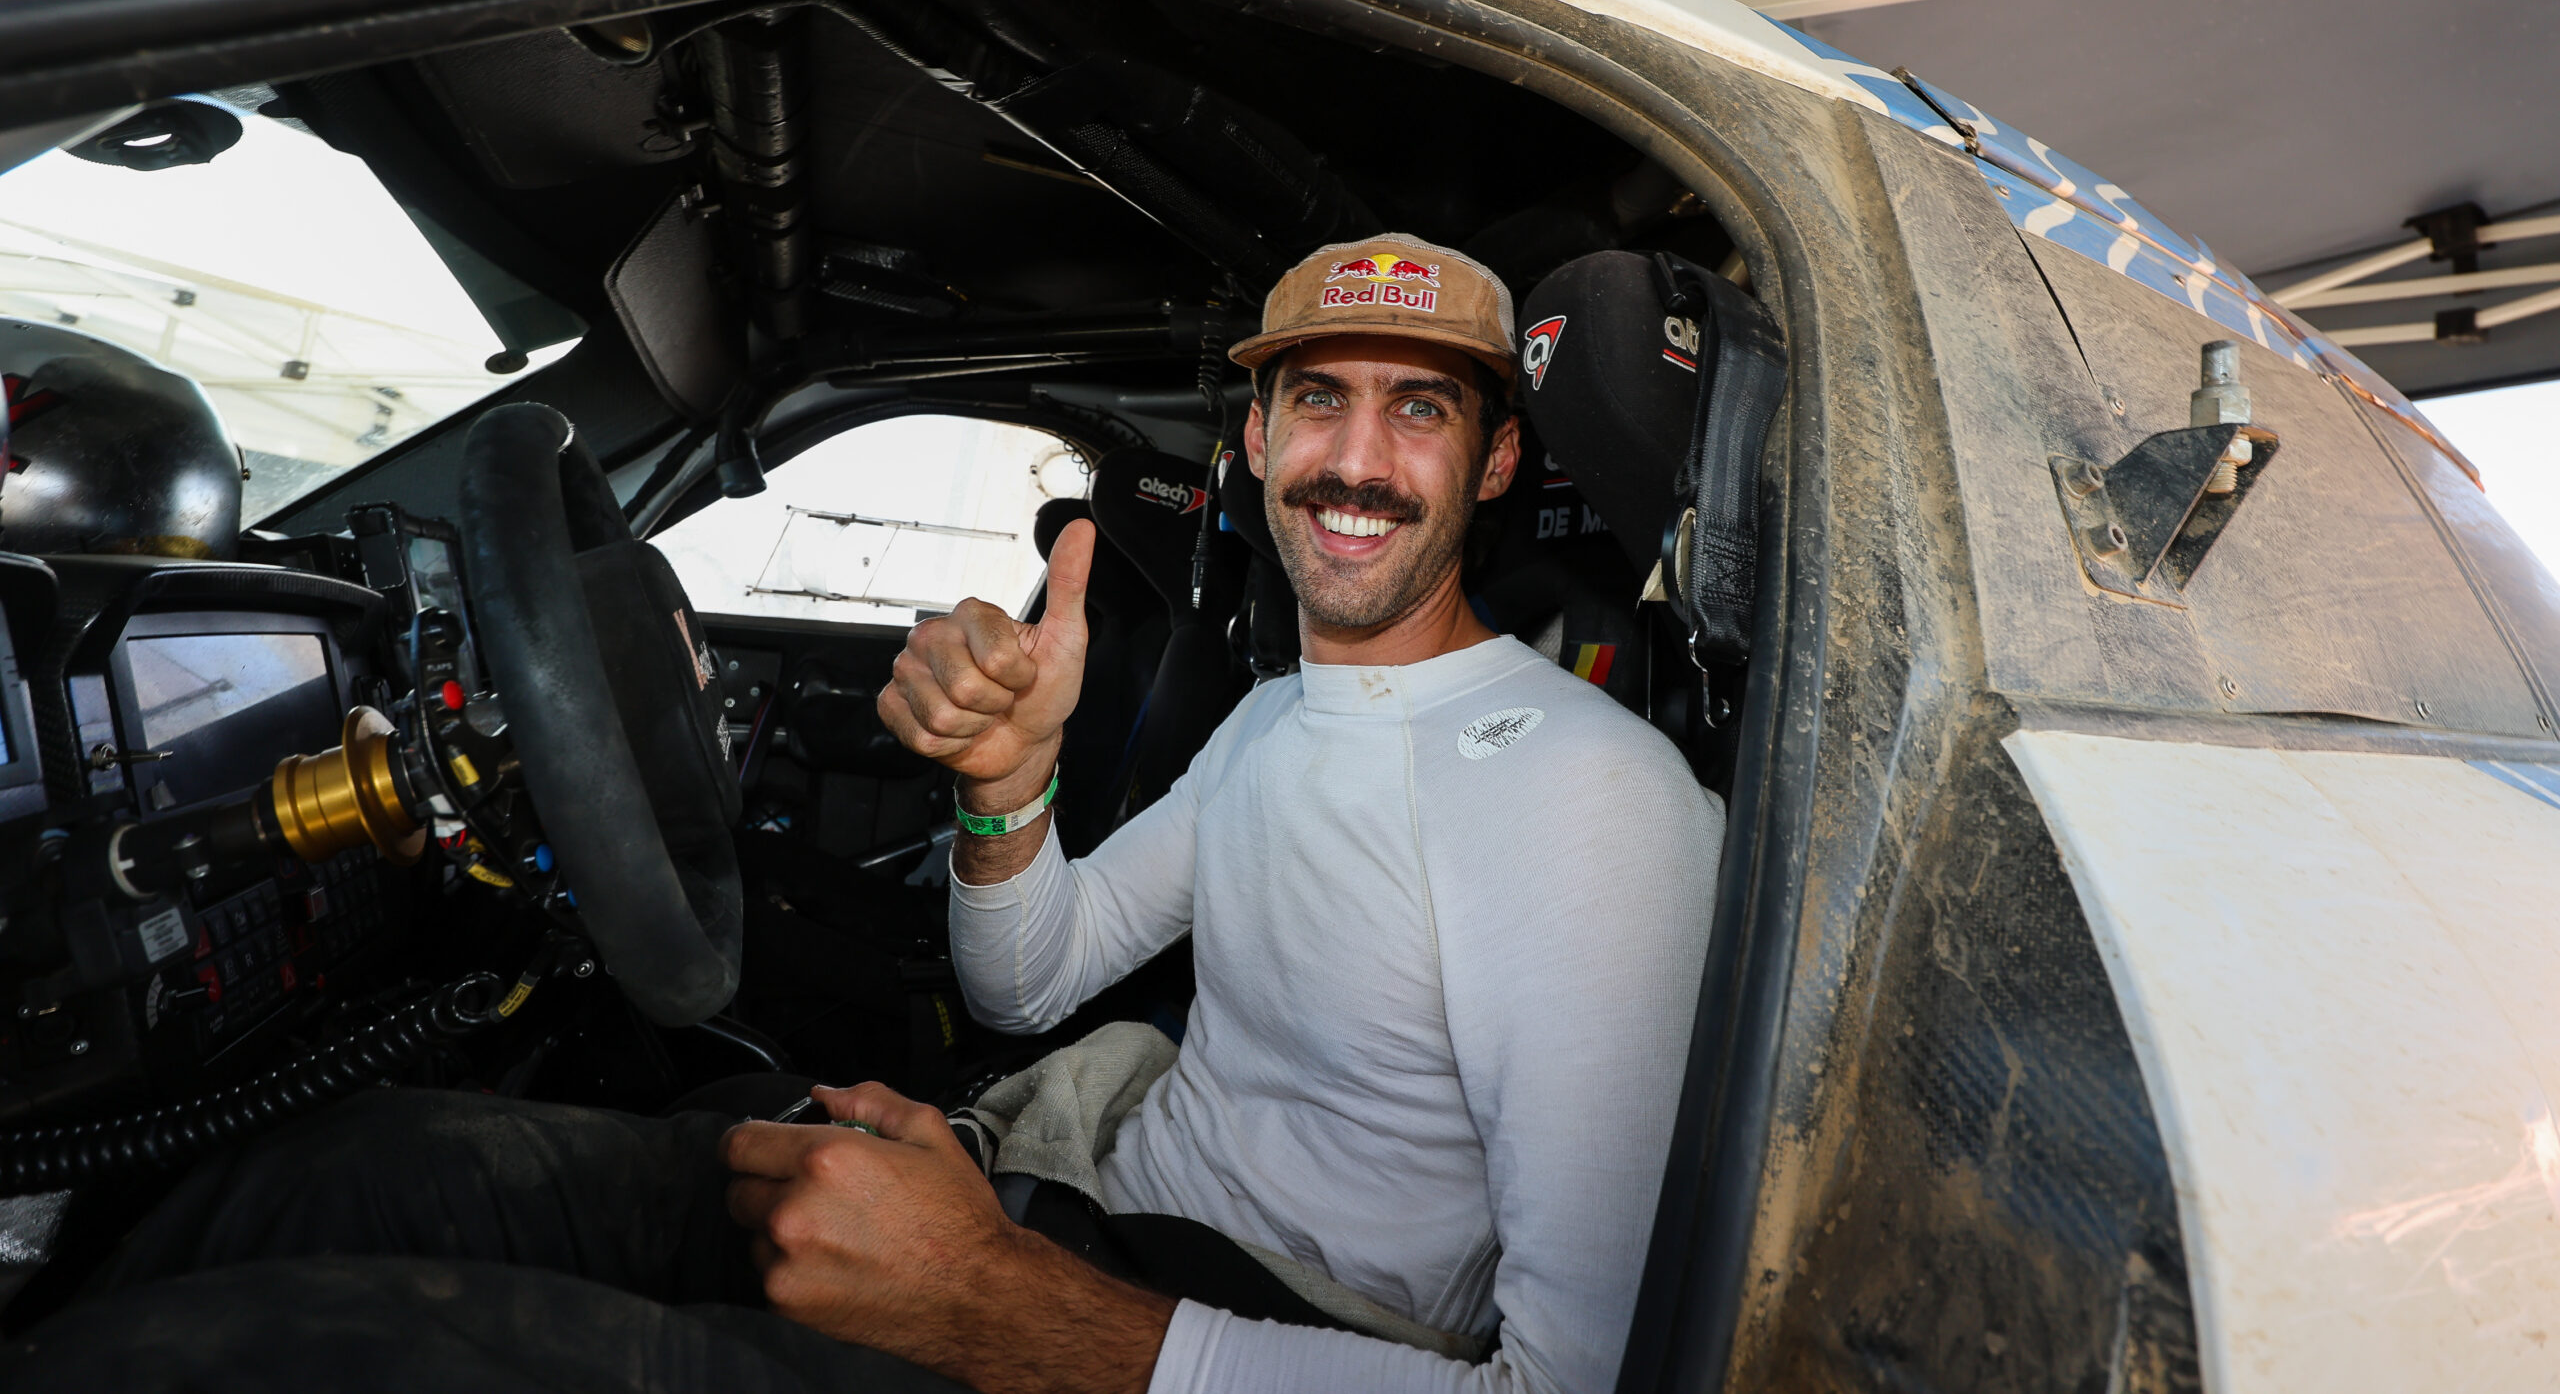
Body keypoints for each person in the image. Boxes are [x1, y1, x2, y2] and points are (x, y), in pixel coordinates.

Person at [5, 236, 1721, 1394]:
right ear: (1260, 434)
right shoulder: (1285, 715)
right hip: (1046, 1196)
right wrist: (1005, 789)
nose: (1358, 460)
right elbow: (1029, 987)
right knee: (345, 1172)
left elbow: (1580, 1385)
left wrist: (1001, 1303)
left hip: (1160, 1329)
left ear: (1496, 462)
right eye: (1320, 400)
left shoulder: (1587, 798)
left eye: (1420, 409)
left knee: (273, 1356)